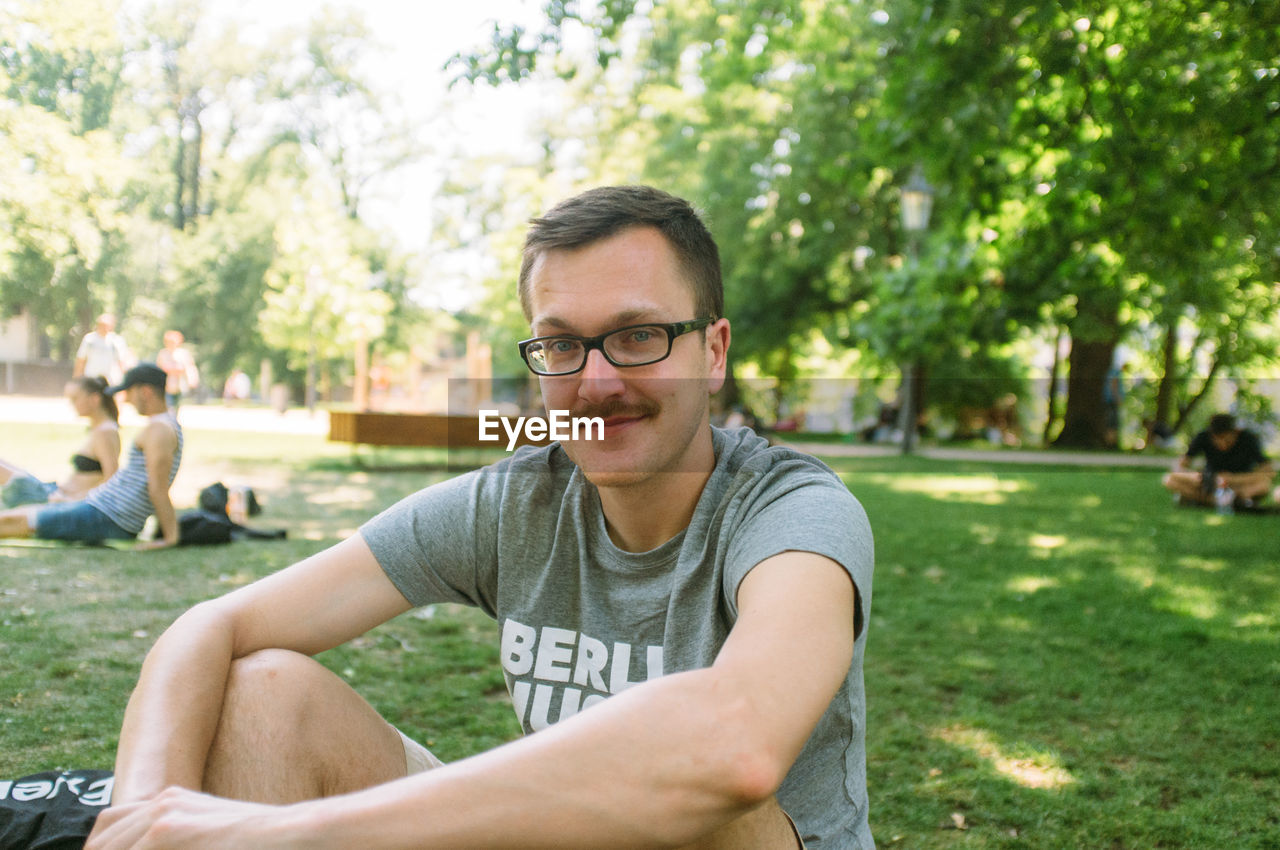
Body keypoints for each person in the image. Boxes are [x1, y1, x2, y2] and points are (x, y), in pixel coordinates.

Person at [86, 186, 873, 849]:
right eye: (562, 345)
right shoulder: (516, 501)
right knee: (266, 694)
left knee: (709, 811)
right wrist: (143, 815)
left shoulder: (794, 513)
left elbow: (733, 748)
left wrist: (272, 834)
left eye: (638, 336)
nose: (596, 382)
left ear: (713, 350)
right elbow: (211, 626)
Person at [0, 363, 183, 548]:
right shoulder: (164, 426)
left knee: (15, 521)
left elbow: (158, 488)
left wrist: (169, 538)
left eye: (129, 392)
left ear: (145, 392)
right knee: (21, 513)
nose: (126, 399)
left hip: (109, 516)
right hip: (101, 507)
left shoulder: (159, 430)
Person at [0, 376, 122, 507]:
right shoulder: (102, 429)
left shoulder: (105, 432)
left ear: (94, 399)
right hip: (56, 493)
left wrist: (72, 500)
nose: (71, 405)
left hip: (59, 500)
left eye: (75, 399)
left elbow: (111, 481)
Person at [1162, 412, 1275, 508]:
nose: (1222, 444)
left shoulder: (1248, 439)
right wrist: (1197, 477)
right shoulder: (1202, 437)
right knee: (1170, 480)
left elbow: (1268, 469)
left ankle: (1205, 501)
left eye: (1227, 440)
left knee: (1264, 485)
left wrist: (1233, 479)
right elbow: (1181, 464)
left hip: (1239, 483)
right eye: (1217, 440)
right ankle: (1232, 502)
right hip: (1210, 483)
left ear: (1236, 432)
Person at [74, 313, 132, 384]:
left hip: (110, 380)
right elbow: (81, 359)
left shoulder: (117, 341)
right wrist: (76, 379)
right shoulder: (89, 339)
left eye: (107, 325)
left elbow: (122, 362)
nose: (104, 327)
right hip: (91, 379)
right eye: (102, 324)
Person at [156, 330, 199, 411]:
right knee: (169, 405)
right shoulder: (163, 353)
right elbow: (160, 368)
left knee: (177, 405)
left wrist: (192, 380)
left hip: (180, 384)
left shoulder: (183, 353)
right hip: (167, 384)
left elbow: (189, 367)